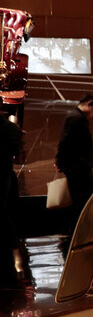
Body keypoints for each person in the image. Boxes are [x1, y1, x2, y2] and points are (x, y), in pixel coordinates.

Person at [56, 94, 93, 240]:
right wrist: (60, 161)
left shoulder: (77, 117)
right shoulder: (75, 118)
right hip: (77, 167)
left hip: (78, 165)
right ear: (89, 104)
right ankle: (79, 230)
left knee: (81, 199)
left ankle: (79, 229)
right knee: (82, 199)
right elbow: (65, 141)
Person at [0, 110, 24, 283]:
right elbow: (16, 150)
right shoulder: (10, 128)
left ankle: (11, 240)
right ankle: (11, 240)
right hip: (3, 172)